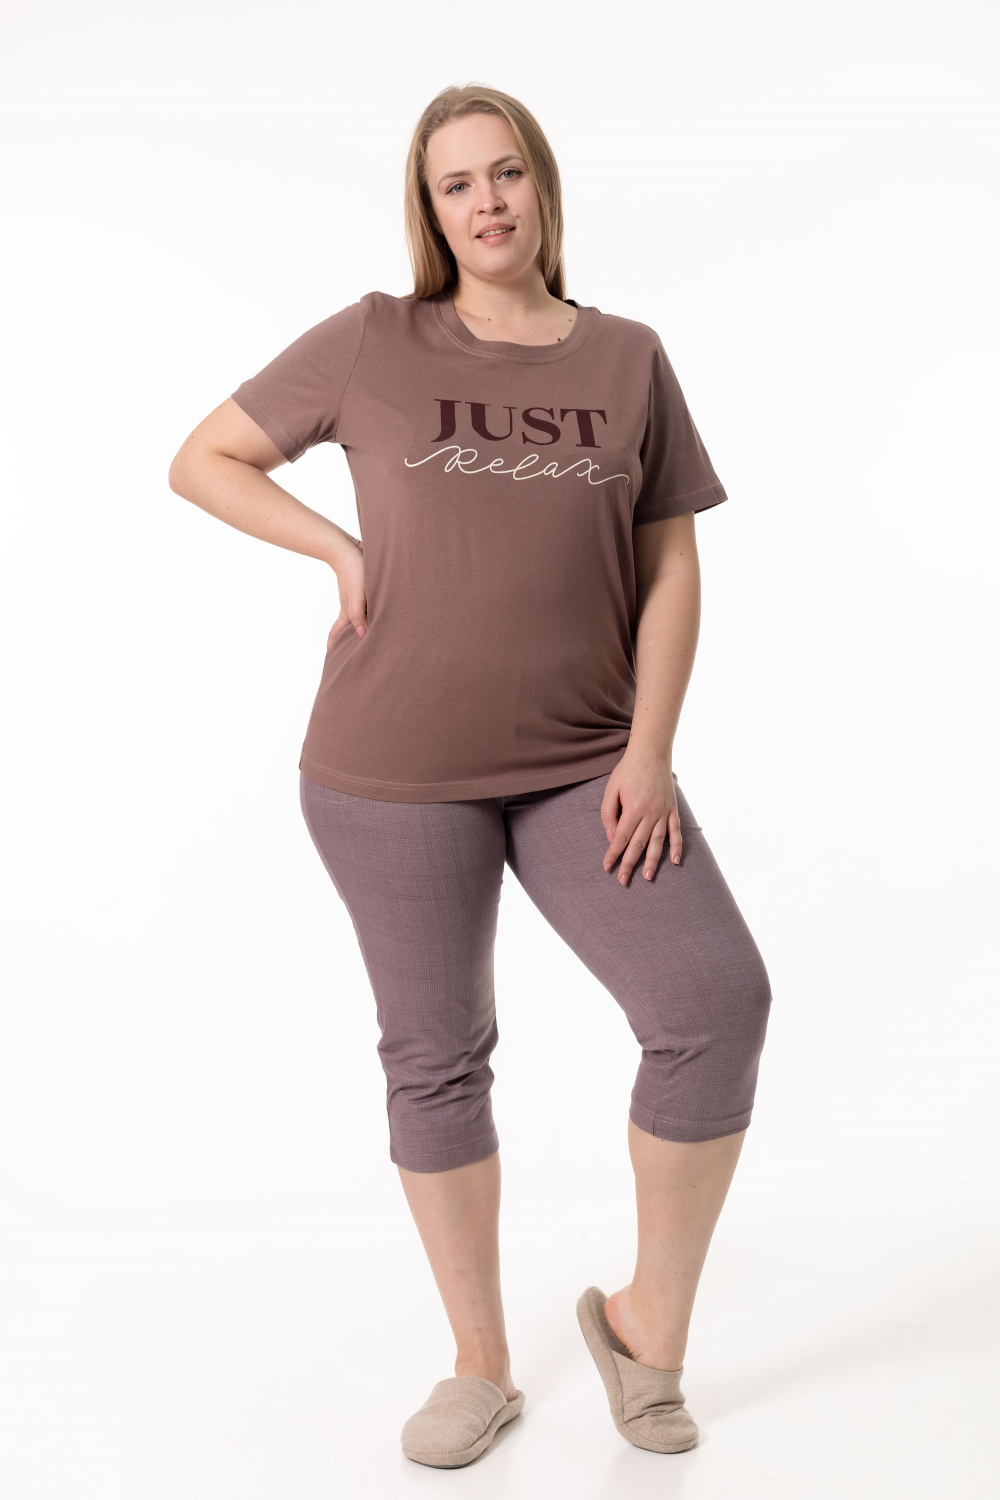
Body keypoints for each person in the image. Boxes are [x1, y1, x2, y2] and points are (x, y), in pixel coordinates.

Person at [168, 82, 772, 1469]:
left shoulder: (627, 358)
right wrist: (340, 549)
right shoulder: (374, 339)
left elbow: (672, 565)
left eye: (507, 173)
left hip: (584, 765)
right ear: (429, 211)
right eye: (457, 184)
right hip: (389, 770)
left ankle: (644, 1332)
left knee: (712, 1003)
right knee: (436, 1056)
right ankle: (480, 1364)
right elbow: (205, 458)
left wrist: (650, 751)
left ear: (543, 187)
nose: (487, 201)